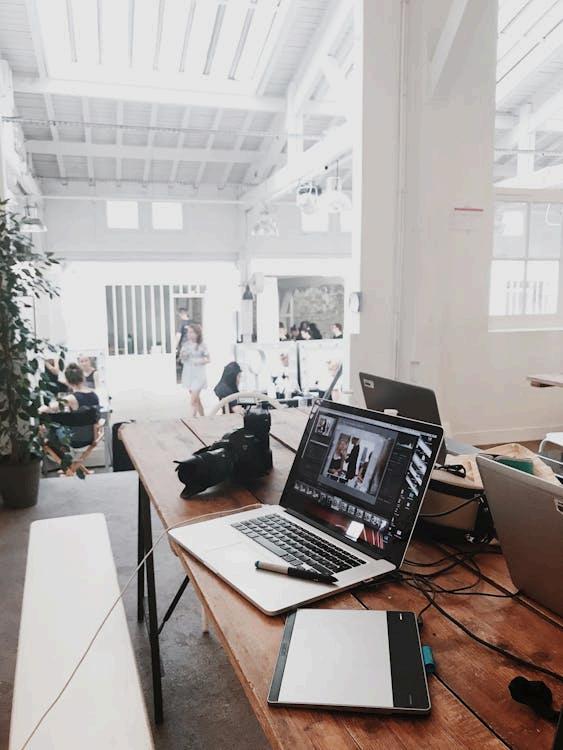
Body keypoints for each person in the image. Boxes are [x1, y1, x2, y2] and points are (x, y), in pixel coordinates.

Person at [179, 323, 209, 417]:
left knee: (192, 401)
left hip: (199, 375)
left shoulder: (202, 345)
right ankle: (204, 418)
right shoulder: (185, 345)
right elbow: (182, 359)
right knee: (196, 400)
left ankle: (192, 420)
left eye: (192, 332)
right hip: (189, 374)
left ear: (197, 333)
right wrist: (183, 355)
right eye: (188, 332)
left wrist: (198, 361)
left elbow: (208, 359)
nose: (189, 334)